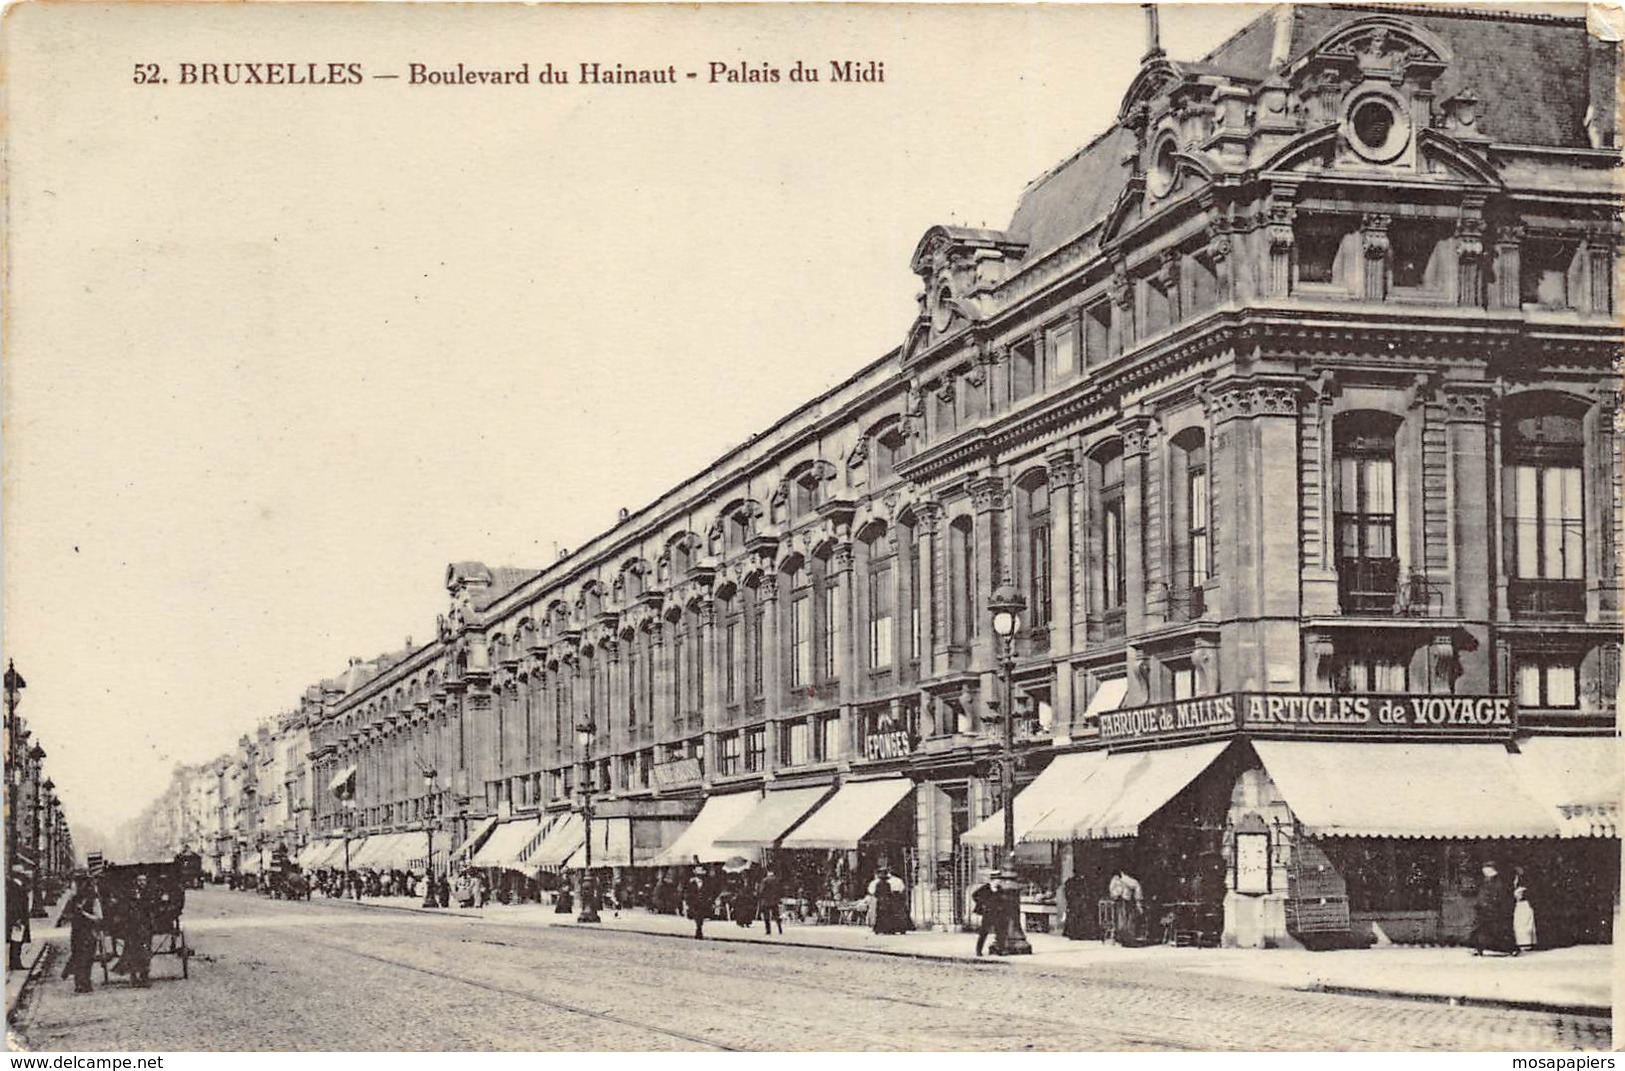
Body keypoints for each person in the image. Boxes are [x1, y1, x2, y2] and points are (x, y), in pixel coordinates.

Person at [58, 874, 102, 994]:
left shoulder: (93, 899)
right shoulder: (73, 899)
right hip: (77, 932)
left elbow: (98, 917)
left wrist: (84, 914)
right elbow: (64, 916)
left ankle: (86, 982)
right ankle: (79, 983)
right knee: (78, 957)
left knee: (88, 957)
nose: (73, 887)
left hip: (89, 931)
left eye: (75, 884)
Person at [114, 872, 156, 987]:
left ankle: (145, 977)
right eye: (139, 880)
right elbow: (125, 909)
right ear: (136, 882)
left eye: (144, 880)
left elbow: (151, 909)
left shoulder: (149, 894)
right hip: (132, 928)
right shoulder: (130, 894)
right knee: (132, 952)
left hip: (145, 927)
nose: (142, 883)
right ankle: (133, 976)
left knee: (145, 952)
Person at [1470, 861, 1517, 956]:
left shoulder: (1497, 881)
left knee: (1497, 929)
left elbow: (1499, 895)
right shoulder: (1487, 881)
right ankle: (1480, 947)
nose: (1485, 871)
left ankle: (1508, 948)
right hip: (1485, 908)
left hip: (1493, 909)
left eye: (1487, 869)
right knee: (1483, 929)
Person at [1108, 868, 1144, 946]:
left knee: (1125, 920)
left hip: (1124, 901)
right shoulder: (1125, 880)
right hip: (1123, 901)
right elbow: (1137, 886)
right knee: (1125, 920)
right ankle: (1125, 939)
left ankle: (1125, 939)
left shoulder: (1123, 880)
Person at [8, 865, 32, 970]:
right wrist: (16, 919)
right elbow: (14, 904)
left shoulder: (18, 885)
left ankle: (16, 962)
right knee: (16, 941)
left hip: (20, 917)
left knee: (18, 940)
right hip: (18, 918)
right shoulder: (14, 886)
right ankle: (15, 963)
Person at [970, 872, 999, 956]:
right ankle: (978, 950)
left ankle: (998, 949)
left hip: (996, 913)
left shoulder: (999, 889)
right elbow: (974, 895)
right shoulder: (985, 888)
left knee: (1000, 931)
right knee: (984, 932)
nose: (998, 882)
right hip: (987, 913)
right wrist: (982, 904)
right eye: (997, 880)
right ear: (993, 880)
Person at [682, 865, 711, 939]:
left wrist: (708, 900)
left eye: (701, 875)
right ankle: (698, 930)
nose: (700, 876)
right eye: (699, 874)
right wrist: (688, 902)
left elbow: (708, 892)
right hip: (694, 903)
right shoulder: (691, 883)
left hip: (703, 903)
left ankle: (699, 930)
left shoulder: (706, 883)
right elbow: (687, 892)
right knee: (697, 916)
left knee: (700, 917)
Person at [1513, 868, 1538, 953]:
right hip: (1519, 904)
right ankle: (1522, 943)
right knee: (1520, 923)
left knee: (1526, 923)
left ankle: (1527, 943)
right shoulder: (1515, 879)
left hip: (1525, 903)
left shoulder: (1527, 880)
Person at [1061, 871, 1090, 941]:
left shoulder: (1070, 882)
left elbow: (1066, 892)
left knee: (1073, 919)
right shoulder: (1080, 882)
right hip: (1077, 903)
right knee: (1077, 918)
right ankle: (1077, 933)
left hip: (1073, 903)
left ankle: (1072, 933)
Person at [757, 869, 784, 935]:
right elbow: (780, 890)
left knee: (766, 916)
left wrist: (759, 895)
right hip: (775, 900)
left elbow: (761, 891)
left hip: (766, 900)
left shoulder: (765, 880)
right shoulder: (776, 880)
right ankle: (780, 929)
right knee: (776, 915)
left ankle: (768, 930)